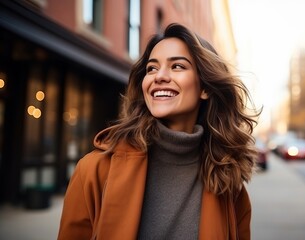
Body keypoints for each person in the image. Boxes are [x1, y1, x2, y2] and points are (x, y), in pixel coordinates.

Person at [58, 23, 259, 240]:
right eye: (151, 68)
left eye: (177, 66)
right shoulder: (94, 170)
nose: (159, 76)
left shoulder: (228, 184)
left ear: (205, 88)